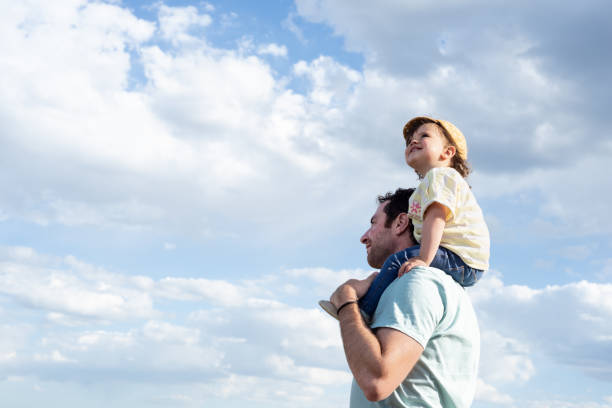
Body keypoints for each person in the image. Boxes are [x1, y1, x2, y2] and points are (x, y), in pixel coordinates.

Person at [320, 116, 489, 321]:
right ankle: (373, 294)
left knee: (400, 260)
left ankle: (365, 311)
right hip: (461, 260)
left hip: (462, 259)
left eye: (424, 136)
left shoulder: (441, 176)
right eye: (409, 141)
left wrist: (423, 259)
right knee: (399, 265)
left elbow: (436, 218)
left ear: (448, 152)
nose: (413, 142)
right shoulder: (430, 184)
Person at [329, 188, 480, 407]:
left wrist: (346, 302)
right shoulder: (431, 283)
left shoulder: (418, 281)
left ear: (400, 223)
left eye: (373, 223)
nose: (364, 237)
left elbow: (376, 382)